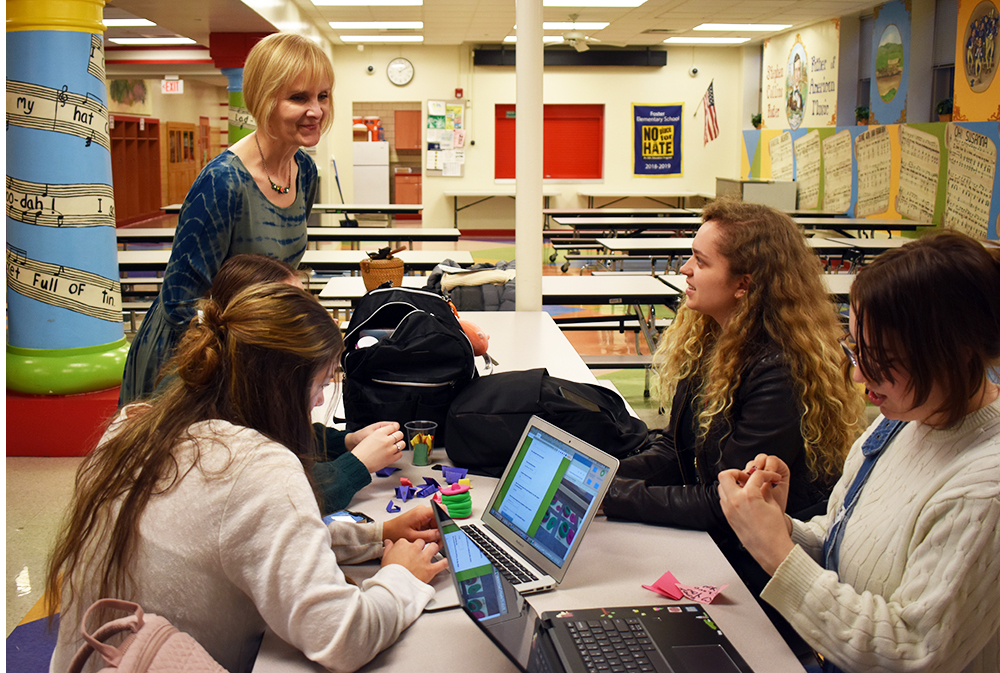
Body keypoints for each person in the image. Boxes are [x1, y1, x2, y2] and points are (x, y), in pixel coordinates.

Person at [47, 284, 447, 673]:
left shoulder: (135, 424)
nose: (321, 400)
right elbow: (342, 637)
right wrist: (401, 577)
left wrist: (377, 536)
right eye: (321, 383)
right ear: (283, 386)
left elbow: (238, 539)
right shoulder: (255, 466)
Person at [719, 230, 1000, 673]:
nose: (857, 378)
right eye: (855, 348)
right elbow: (840, 538)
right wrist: (780, 525)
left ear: (953, 354)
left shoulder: (983, 493)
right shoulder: (901, 422)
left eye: (881, 360)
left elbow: (909, 652)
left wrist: (777, 553)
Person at [601, 200, 865, 632]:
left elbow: (728, 503)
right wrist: (599, 477)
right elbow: (676, 448)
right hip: (719, 541)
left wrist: (610, 496)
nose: (685, 269)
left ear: (744, 284)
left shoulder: (780, 369)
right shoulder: (713, 337)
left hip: (757, 570)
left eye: (700, 262)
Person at [119, 32, 332, 406]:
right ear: (265, 99)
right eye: (298, 97)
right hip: (194, 356)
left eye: (322, 96)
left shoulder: (304, 170)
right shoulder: (223, 183)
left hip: (253, 349)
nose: (315, 110)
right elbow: (180, 303)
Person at [204, 253, 404, 512]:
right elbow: (288, 497)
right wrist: (358, 463)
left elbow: (285, 433)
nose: (308, 317)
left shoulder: (243, 372)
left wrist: (346, 441)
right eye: (295, 310)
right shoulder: (217, 410)